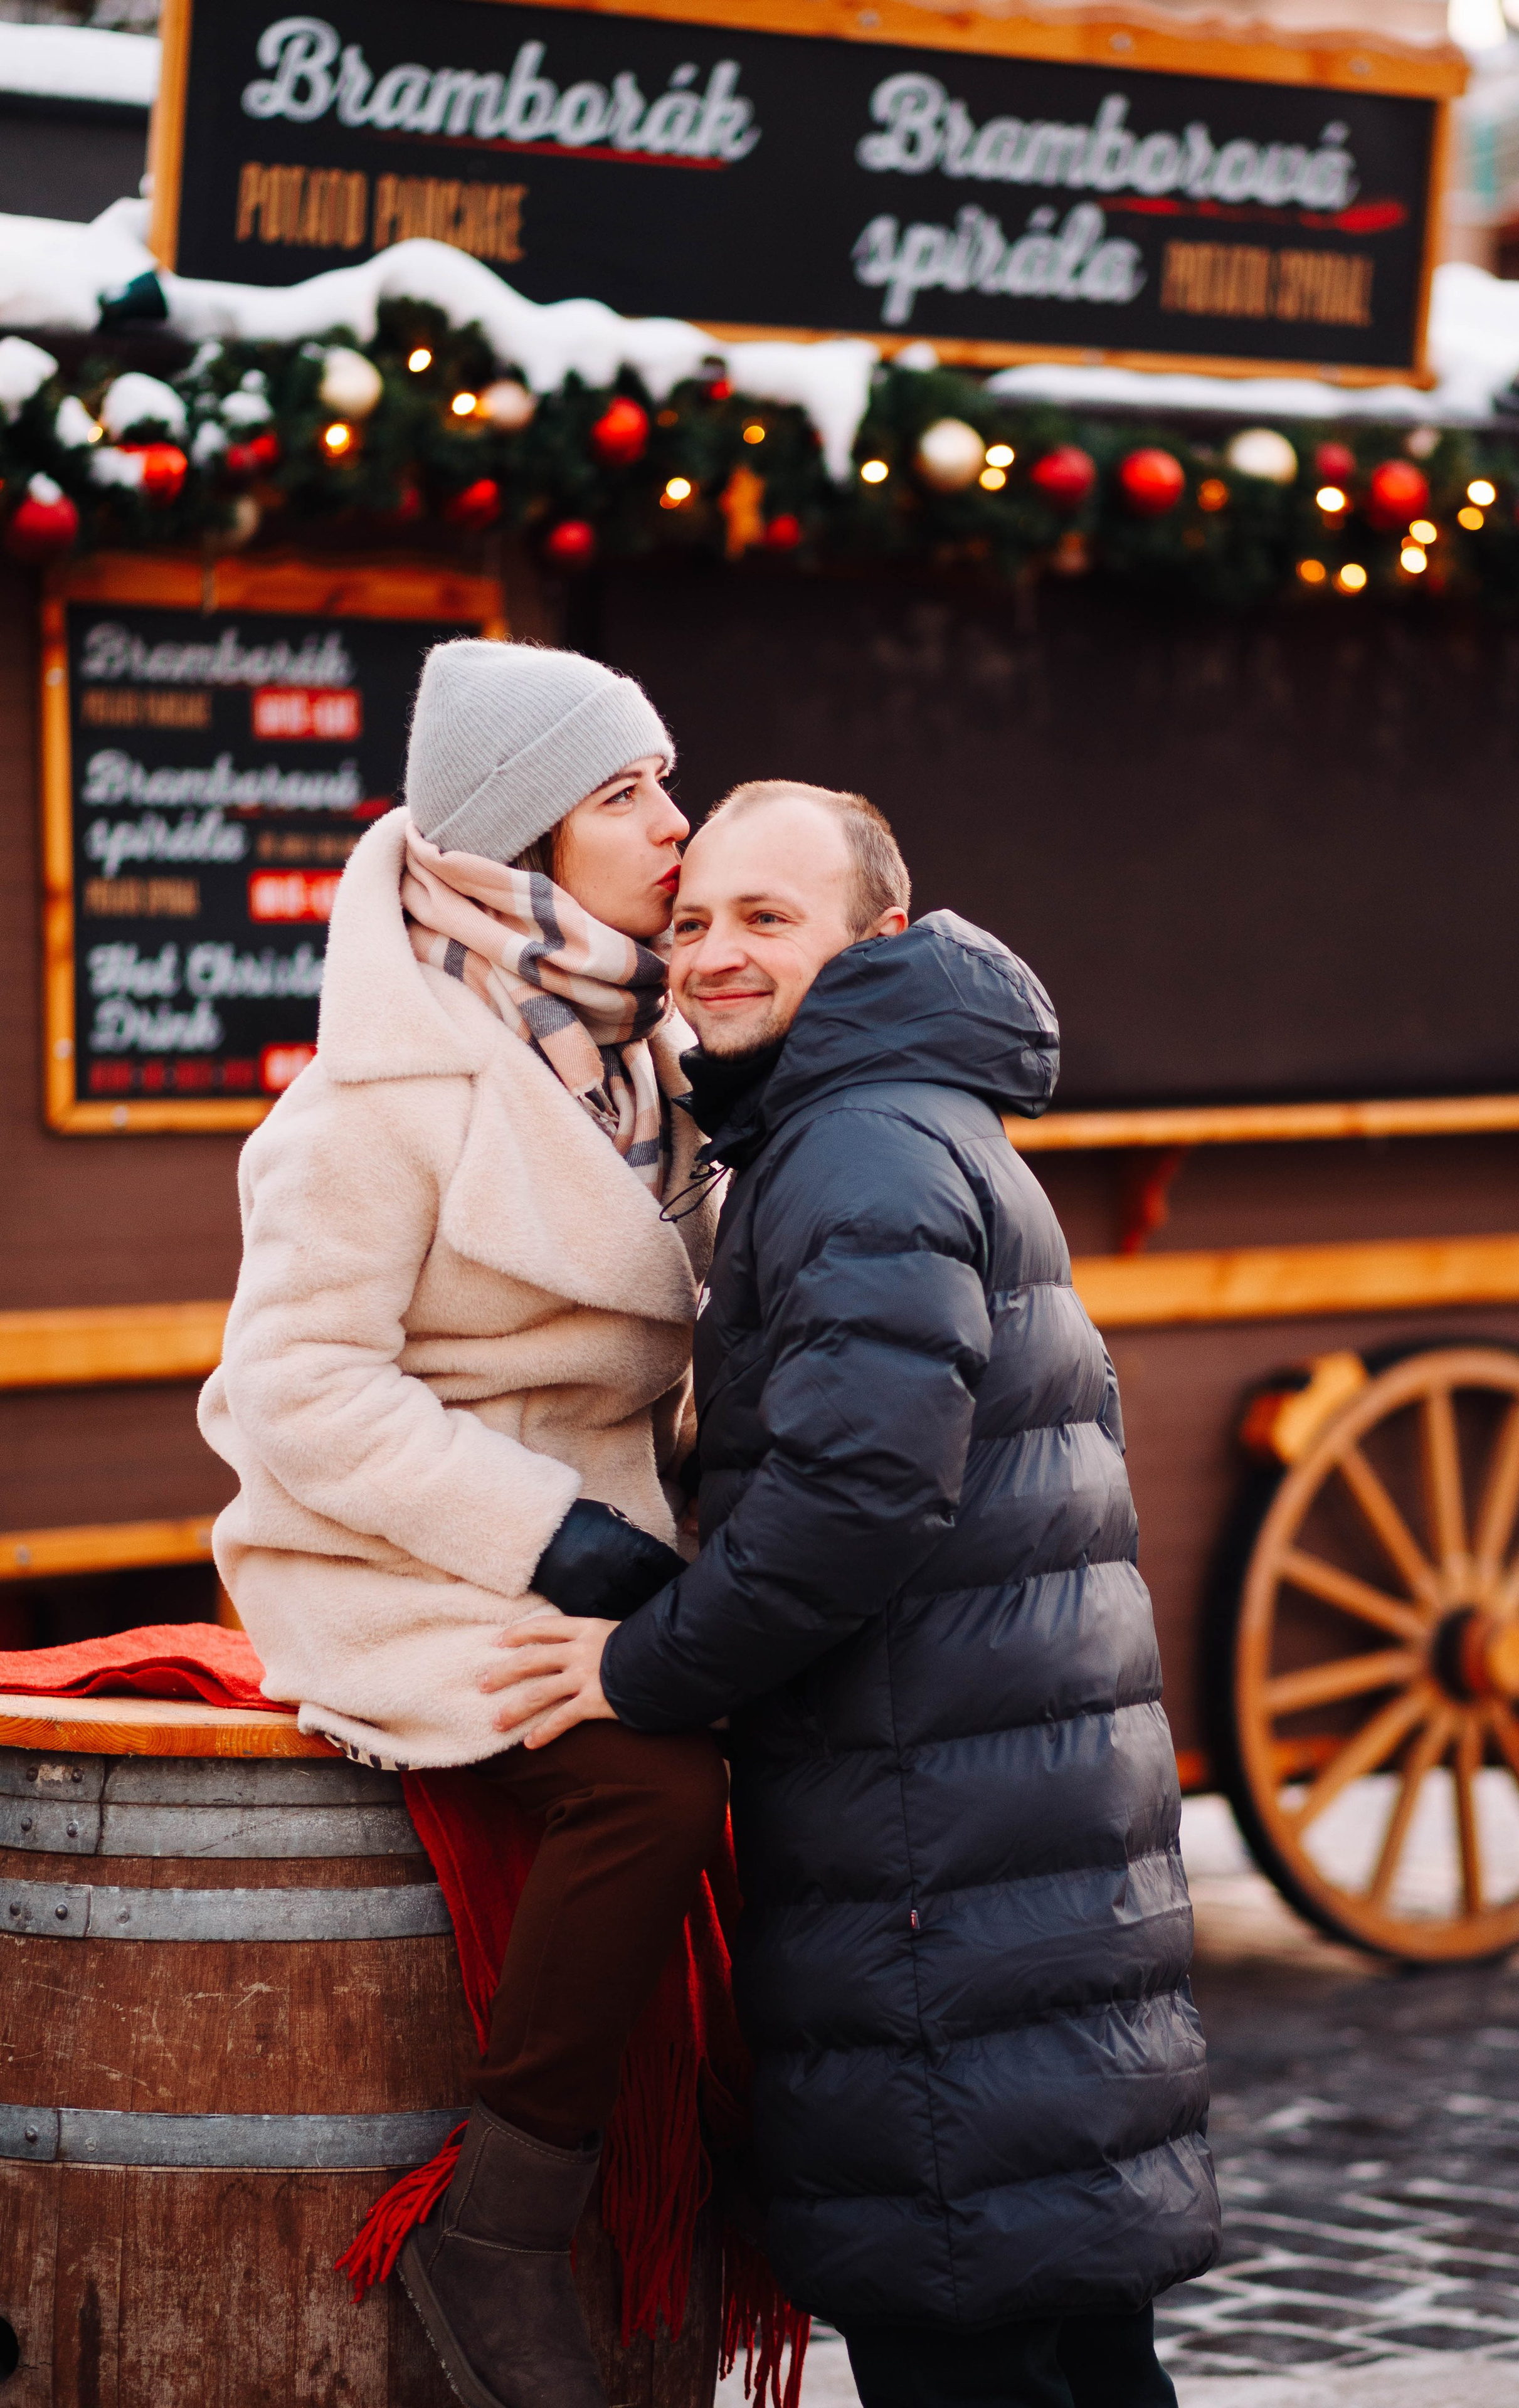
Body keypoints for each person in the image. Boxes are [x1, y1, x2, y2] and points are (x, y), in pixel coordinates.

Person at [482, 780, 1222, 2408]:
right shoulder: (895, 1115)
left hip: (931, 1874)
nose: (717, 955)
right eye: (692, 922)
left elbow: (857, 1494)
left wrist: (641, 1668)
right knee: (1078, 2346)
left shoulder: (853, 1149)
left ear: (877, 937)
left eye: (768, 918)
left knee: (970, 2345)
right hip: (999, 1845)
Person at [198, 640, 731, 2408]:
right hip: (395, 1555)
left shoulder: (636, 1045)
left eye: (666, 776)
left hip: (619, 1519)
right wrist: (557, 1545)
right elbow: (293, 1395)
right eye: (625, 793)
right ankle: (497, 2224)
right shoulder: (376, 1102)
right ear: (521, 840)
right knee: (658, 1775)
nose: (675, 824)